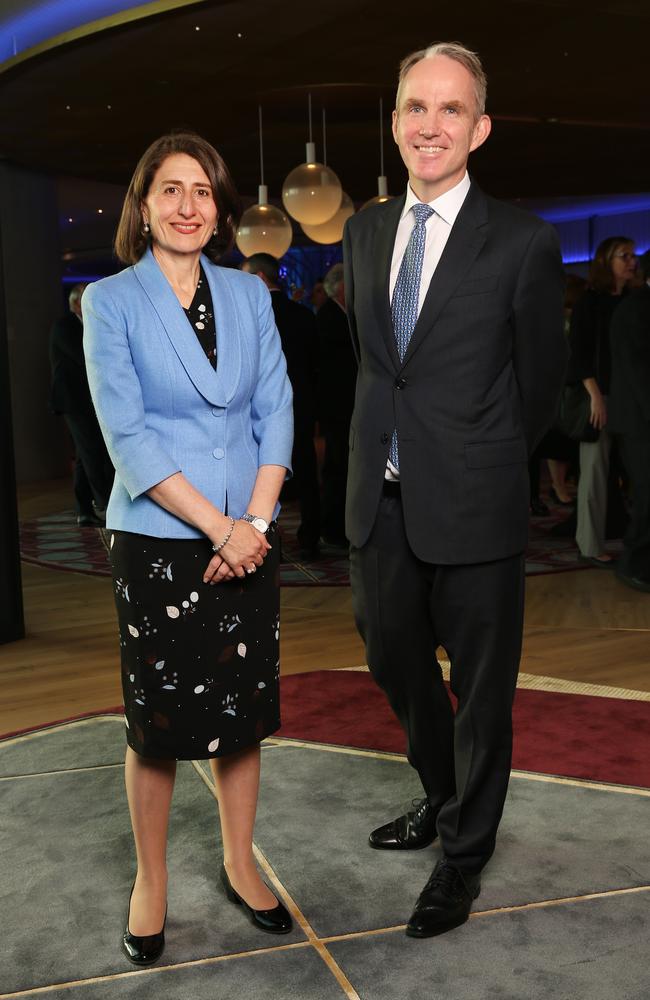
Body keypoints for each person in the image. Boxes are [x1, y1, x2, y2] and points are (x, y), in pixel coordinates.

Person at [343, 42, 566, 938]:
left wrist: (478, 456)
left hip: (474, 505)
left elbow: (541, 384)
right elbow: (373, 369)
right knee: (393, 663)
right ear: (395, 121)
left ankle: (464, 859)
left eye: (448, 109)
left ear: (478, 128)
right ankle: (443, 796)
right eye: (412, 107)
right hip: (379, 503)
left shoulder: (522, 240)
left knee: (481, 693)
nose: (428, 125)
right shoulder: (362, 232)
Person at [83, 132, 294, 965]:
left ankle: (241, 864)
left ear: (220, 209)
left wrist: (259, 526)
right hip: (165, 540)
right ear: (143, 205)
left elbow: (277, 409)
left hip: (250, 532)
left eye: (203, 192)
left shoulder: (248, 295)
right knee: (159, 724)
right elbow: (127, 440)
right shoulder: (111, 301)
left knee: (241, 714)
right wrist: (221, 528)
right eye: (170, 189)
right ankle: (151, 881)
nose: (188, 205)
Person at [242, 252, 321, 560]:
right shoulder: (304, 314)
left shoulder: (248, 315)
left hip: (257, 408)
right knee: (306, 474)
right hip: (299, 406)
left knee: (258, 475)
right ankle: (310, 538)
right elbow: (317, 364)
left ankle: (261, 539)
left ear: (260, 278)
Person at [568, 236, 637, 566]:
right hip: (601, 396)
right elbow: (578, 355)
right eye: (624, 255)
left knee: (638, 473)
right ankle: (590, 545)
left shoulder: (635, 301)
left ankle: (637, 539)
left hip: (632, 399)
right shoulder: (590, 302)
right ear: (606, 262)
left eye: (633, 255)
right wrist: (595, 397)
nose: (632, 261)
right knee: (594, 472)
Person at [49, 283, 114, 525]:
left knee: (85, 453)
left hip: (90, 401)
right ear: (77, 303)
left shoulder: (91, 325)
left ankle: (84, 510)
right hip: (73, 401)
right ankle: (105, 504)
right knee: (91, 451)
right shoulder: (64, 326)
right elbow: (85, 358)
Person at [608, 249, 650, 592]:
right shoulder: (637, 309)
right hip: (639, 420)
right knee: (647, 494)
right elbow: (637, 373)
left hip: (640, 417)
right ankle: (633, 563)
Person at [316, 262, 357, 547]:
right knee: (337, 468)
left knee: (343, 467)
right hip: (337, 406)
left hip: (345, 405)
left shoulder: (341, 315)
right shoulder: (329, 317)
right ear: (342, 288)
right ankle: (333, 529)